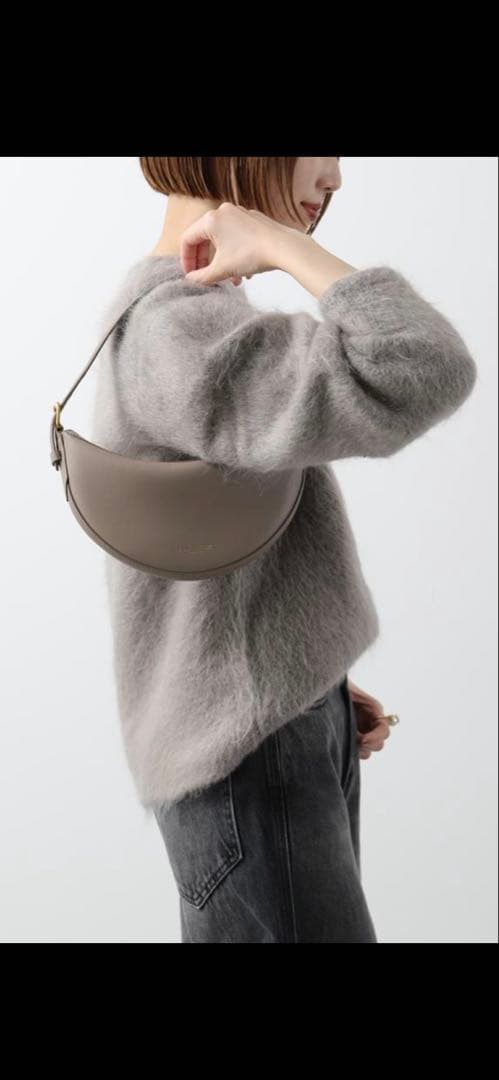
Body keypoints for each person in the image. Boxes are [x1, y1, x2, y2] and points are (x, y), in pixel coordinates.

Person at [91, 157, 477, 942]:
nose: (335, 177)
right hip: (251, 758)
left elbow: (212, 540)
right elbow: (425, 365)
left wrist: (304, 672)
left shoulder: (183, 316)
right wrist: (282, 244)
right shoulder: (181, 331)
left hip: (262, 729)